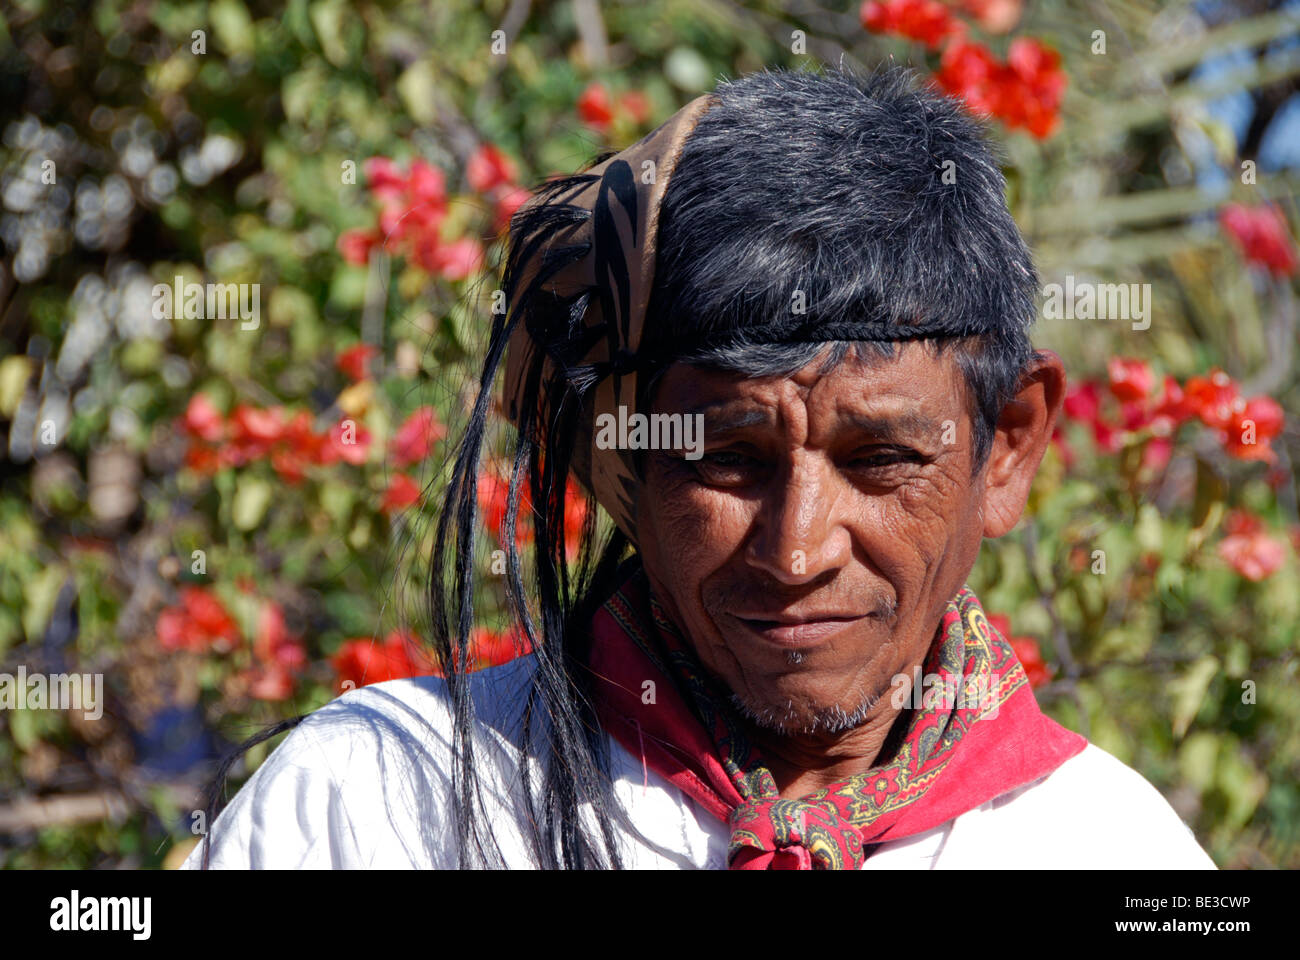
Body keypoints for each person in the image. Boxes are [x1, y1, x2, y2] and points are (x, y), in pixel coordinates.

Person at [185, 64, 1215, 870]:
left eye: (881, 458)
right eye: (727, 458)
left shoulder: (1106, 848)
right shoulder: (380, 804)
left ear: (1010, 448)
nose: (798, 548)